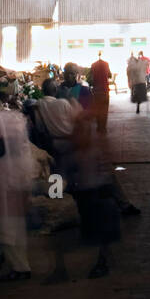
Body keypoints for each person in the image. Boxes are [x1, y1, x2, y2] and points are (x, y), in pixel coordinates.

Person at [0, 84, 33, 280]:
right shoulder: (14, 125)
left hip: (8, 187)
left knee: (7, 228)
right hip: (13, 185)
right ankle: (8, 266)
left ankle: (20, 268)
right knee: (12, 228)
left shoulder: (7, 164)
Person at [70, 107, 121, 278]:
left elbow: (106, 171)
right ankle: (102, 260)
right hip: (88, 191)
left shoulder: (94, 149)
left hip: (97, 191)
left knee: (101, 228)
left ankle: (102, 261)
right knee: (95, 228)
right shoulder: (83, 149)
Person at [34, 79, 80, 177]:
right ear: (56, 89)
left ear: (42, 91)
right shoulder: (63, 103)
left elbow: (40, 127)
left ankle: (58, 189)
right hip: (70, 144)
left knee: (58, 172)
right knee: (70, 172)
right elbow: (76, 121)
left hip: (52, 144)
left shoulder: (39, 104)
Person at [89, 54, 111, 134]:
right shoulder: (106, 64)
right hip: (105, 90)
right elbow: (109, 75)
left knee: (97, 109)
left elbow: (90, 79)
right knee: (104, 109)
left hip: (96, 91)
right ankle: (103, 128)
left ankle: (98, 127)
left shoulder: (93, 65)